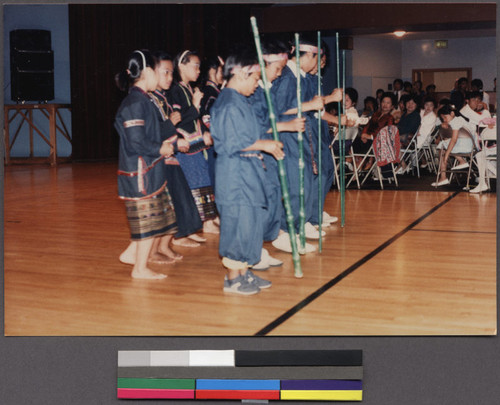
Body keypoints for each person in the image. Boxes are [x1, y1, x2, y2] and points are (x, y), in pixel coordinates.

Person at [210, 49, 284, 295]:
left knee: (250, 224)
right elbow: (230, 142)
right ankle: (233, 279)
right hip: (235, 177)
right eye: (254, 79)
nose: (256, 84)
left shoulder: (242, 100)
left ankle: (244, 271)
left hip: (249, 173)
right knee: (238, 225)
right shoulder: (228, 103)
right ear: (241, 74)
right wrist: (265, 145)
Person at [114, 50, 178, 279]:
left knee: (151, 219)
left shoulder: (144, 99)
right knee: (147, 221)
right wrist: (159, 148)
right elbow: (136, 141)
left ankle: (133, 255)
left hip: (150, 167)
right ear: (148, 71)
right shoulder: (135, 103)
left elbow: (152, 132)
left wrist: (169, 141)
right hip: (140, 170)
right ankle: (139, 269)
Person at [247, 38, 305, 269]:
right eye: (277, 69)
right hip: (256, 155)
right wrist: (287, 126)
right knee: (260, 202)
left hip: (269, 152)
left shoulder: (266, 90)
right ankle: (253, 251)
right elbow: (257, 126)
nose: (280, 74)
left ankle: (260, 247)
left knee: (272, 197)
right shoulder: (252, 92)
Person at [270, 36, 330, 253]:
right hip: (288, 137)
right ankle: (287, 231)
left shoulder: (300, 77)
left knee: (304, 183)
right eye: (317, 59)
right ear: (310, 56)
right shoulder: (287, 77)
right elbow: (277, 109)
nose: (317, 64)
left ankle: (296, 227)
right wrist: (310, 104)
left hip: (301, 136)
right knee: (296, 185)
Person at [149, 51, 204, 252]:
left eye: (171, 73)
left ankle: (166, 244)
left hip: (171, 152)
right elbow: (155, 130)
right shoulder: (149, 99)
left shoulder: (161, 97)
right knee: (168, 204)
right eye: (166, 73)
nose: (170, 78)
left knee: (179, 200)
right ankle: (164, 245)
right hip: (162, 155)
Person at [168, 50, 219, 235]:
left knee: (203, 181)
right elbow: (179, 119)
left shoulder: (189, 89)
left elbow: (195, 119)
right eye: (195, 66)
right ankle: (199, 224)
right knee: (195, 183)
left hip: (196, 144)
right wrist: (195, 106)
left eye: (199, 66)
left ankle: (208, 221)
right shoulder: (175, 90)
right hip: (186, 145)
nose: (198, 70)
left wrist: (205, 132)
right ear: (181, 66)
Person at [431, 104, 477, 187]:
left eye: (445, 117)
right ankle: (460, 161)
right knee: (444, 144)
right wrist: (446, 124)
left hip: (466, 145)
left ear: (452, 113)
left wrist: (446, 156)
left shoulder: (456, 121)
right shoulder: (458, 120)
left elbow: (454, 140)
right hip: (468, 144)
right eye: (442, 118)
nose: (444, 120)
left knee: (442, 145)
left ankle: (444, 176)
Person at [352, 92, 396, 170]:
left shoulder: (390, 118)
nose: (385, 104)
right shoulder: (376, 114)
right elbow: (367, 125)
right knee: (354, 141)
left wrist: (371, 137)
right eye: (383, 102)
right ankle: (361, 161)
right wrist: (364, 134)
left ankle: (364, 161)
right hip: (367, 140)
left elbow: (387, 134)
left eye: (388, 103)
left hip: (379, 142)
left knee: (358, 145)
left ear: (392, 106)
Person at [200, 55, 225, 186]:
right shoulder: (210, 93)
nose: (224, 74)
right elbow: (205, 117)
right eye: (221, 70)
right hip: (213, 145)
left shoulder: (216, 92)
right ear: (212, 71)